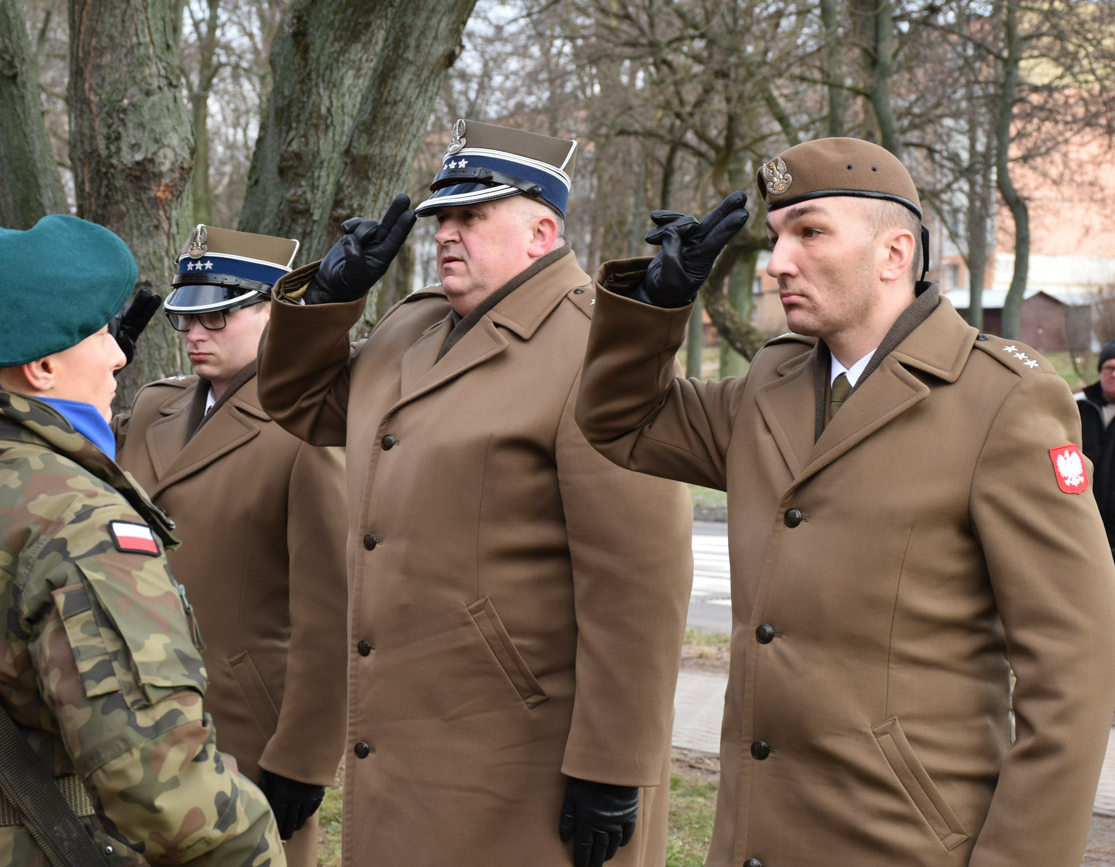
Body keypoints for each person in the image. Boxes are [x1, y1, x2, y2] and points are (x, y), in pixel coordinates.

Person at [576, 136, 1115, 866]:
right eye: (775, 238)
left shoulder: (1003, 402)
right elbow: (621, 421)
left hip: (904, 841)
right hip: (753, 840)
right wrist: (656, 306)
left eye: (811, 232)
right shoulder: (772, 381)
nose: (777, 264)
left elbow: (1074, 673)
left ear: (894, 253)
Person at [257, 118, 692, 867]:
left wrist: (614, 763)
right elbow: (301, 402)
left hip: (519, 747)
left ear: (542, 230)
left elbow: (639, 580)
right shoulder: (411, 328)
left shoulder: (596, 347)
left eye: (472, 214)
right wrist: (328, 298)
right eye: (440, 218)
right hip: (405, 727)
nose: (446, 233)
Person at [0, 214, 282, 866]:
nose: (119, 354)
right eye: (98, 333)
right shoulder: (78, 520)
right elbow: (168, 795)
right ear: (40, 366)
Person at [115, 225, 348, 864]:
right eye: (186, 318)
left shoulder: (308, 430)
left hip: (244, 723)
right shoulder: (154, 409)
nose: (194, 333)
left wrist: (304, 757)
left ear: (275, 312)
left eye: (216, 315)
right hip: (131, 716)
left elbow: (329, 611)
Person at [1076, 337, 1115, 556]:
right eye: (1109, 368)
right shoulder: (1077, 407)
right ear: (1100, 371)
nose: (1114, 374)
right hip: (1081, 525)